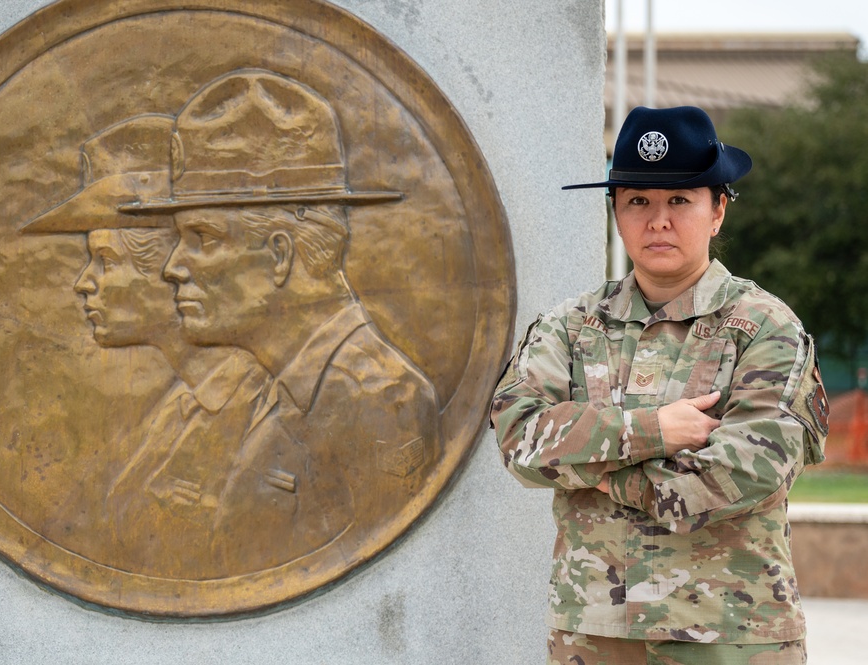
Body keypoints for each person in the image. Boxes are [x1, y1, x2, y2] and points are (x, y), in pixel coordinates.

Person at [490, 106, 829, 665]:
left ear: (718, 210)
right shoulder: (571, 327)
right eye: (638, 201)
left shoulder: (765, 327)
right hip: (595, 633)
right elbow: (520, 440)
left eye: (680, 200)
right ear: (616, 213)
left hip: (729, 633)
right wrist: (649, 431)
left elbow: (751, 467)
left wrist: (602, 476)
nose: (658, 221)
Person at [123, 69, 442, 576]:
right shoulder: (275, 389)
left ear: (279, 255)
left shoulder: (380, 402)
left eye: (202, 238)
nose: (173, 265)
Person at [22, 114, 268, 579]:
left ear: (170, 266)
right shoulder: (180, 406)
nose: (83, 283)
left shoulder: (263, 408)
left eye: (105, 261)